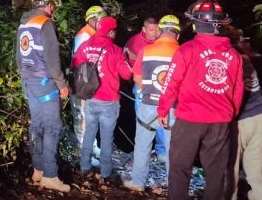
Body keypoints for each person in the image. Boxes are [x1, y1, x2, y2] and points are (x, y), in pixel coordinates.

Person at [157, 0, 244, 200]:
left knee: (180, 168)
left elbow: (171, 82)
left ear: (196, 23)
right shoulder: (235, 55)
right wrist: (231, 114)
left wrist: (163, 109)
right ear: (219, 26)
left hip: (189, 120)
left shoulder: (186, 50)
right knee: (216, 172)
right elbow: (238, 91)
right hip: (220, 121)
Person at [16, 0, 71, 192]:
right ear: (49, 5)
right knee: (52, 128)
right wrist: (62, 84)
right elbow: (52, 58)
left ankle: (37, 169)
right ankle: (50, 175)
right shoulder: (45, 23)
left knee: (36, 126)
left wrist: (25, 79)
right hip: (46, 83)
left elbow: (18, 57)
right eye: (53, 5)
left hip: (29, 83)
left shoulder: (24, 25)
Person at [124, 15, 181, 192]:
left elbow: (137, 76)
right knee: (174, 150)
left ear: (160, 31)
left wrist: (149, 90)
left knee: (142, 145)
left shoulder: (146, 50)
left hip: (148, 105)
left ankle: (138, 182)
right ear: (177, 35)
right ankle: (174, 186)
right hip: (172, 108)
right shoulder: (183, 51)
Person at [71, 17, 132, 180]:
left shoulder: (85, 46)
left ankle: (84, 166)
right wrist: (127, 59)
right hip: (109, 100)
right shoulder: (115, 50)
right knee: (106, 137)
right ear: (111, 32)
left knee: (89, 133)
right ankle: (105, 172)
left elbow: (74, 65)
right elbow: (127, 74)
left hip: (89, 98)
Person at [224, 27, 262, 200]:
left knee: (231, 168)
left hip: (241, 121)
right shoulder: (246, 60)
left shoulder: (234, 60)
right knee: (256, 168)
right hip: (260, 116)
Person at [124, 17, 169, 162]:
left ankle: (162, 151)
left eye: (157, 29)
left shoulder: (162, 40)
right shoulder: (135, 42)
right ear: (143, 30)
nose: (155, 33)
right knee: (144, 120)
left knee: (163, 118)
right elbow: (131, 63)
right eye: (151, 30)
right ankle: (143, 153)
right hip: (142, 85)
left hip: (160, 84)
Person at [70, 6, 107, 161]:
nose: (102, 23)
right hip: (82, 81)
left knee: (90, 115)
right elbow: (82, 62)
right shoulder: (84, 36)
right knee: (83, 116)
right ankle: (84, 152)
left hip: (89, 81)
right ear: (92, 20)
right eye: (100, 20)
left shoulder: (92, 34)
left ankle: (92, 146)